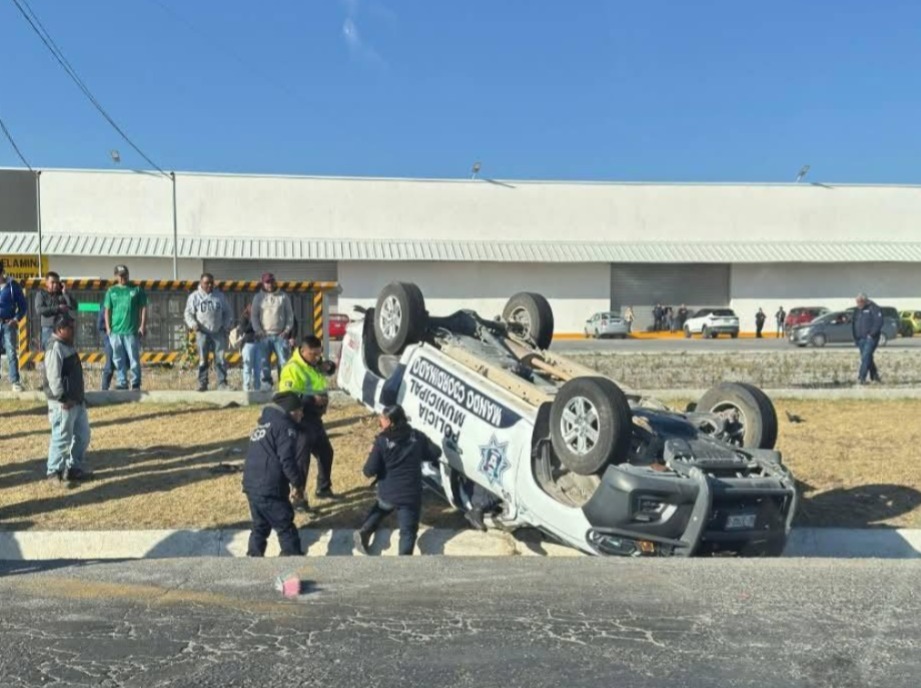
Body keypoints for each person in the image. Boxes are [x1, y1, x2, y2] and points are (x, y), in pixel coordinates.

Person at [353, 404, 441, 556]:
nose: (380, 420)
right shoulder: (416, 436)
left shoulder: (381, 441)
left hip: (388, 493)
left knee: (382, 506)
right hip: (410, 496)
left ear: (391, 422)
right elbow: (435, 452)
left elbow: (369, 471)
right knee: (408, 532)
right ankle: (404, 563)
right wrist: (418, 453)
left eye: (383, 418)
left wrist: (372, 452)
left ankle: (365, 532)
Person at [241, 392, 306, 557]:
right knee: (285, 526)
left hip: (251, 485)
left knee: (259, 526)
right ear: (291, 411)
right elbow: (287, 460)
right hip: (269, 486)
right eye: (299, 410)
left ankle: (251, 563)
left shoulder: (263, 425)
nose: (302, 414)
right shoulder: (285, 427)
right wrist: (298, 483)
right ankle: (291, 564)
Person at [279, 334, 338, 508]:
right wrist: (312, 400)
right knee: (302, 461)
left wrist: (329, 366)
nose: (317, 358)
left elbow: (328, 370)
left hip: (315, 419)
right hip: (301, 420)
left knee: (326, 452)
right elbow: (287, 398)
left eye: (319, 354)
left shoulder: (314, 362)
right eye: (314, 354)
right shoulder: (292, 368)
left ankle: (323, 488)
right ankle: (298, 498)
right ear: (303, 351)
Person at [43, 313, 92, 486]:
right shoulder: (54, 348)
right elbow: (53, 378)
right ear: (59, 329)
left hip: (77, 402)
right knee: (61, 437)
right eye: (70, 328)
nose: (74, 331)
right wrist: (63, 398)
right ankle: (53, 472)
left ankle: (74, 469)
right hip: (63, 404)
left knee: (83, 436)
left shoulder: (67, 345)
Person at [184, 273, 233, 392]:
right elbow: (188, 313)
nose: (209, 285)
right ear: (201, 283)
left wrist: (226, 326)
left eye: (211, 282)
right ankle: (202, 383)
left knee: (220, 358)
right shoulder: (194, 297)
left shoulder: (219, 296)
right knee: (202, 359)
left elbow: (228, 312)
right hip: (202, 332)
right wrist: (193, 325)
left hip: (218, 331)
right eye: (206, 283)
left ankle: (222, 383)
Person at [103, 265, 147, 390]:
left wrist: (142, 325)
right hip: (115, 331)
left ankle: (136, 381)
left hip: (131, 331)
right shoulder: (111, 291)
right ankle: (122, 382)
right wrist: (108, 327)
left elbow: (143, 307)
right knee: (118, 358)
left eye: (125, 275)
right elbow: (107, 310)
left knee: (133, 357)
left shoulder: (136, 289)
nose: (123, 278)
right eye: (121, 275)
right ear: (116, 276)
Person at [252, 273, 294, 387]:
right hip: (264, 336)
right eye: (267, 282)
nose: (269, 284)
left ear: (275, 282)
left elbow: (290, 316)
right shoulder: (258, 298)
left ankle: (284, 383)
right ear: (263, 283)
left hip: (280, 336)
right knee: (264, 362)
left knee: (284, 362)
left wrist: (286, 330)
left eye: (271, 281)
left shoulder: (283, 297)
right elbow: (254, 316)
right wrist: (258, 331)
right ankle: (266, 384)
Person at [0, 260, 28, 392]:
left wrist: (16, 319)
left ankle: (15, 381)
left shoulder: (12, 286)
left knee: (11, 352)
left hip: (8, 323)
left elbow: (23, 306)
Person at [34, 272, 78, 351]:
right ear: (46, 283)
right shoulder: (41, 294)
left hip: (63, 329)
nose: (55, 285)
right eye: (52, 282)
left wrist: (65, 293)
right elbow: (39, 310)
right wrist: (58, 308)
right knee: (50, 352)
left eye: (57, 283)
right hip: (48, 328)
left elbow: (74, 306)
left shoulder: (62, 294)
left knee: (65, 352)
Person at [853, 292, 883, 385]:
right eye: (857, 302)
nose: (858, 304)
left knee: (865, 357)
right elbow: (854, 323)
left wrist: (871, 334)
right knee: (867, 358)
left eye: (859, 302)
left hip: (871, 338)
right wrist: (855, 337)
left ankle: (861, 378)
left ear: (864, 301)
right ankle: (875, 376)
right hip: (860, 339)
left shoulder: (873, 308)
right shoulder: (858, 310)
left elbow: (879, 322)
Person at [235, 303, 263, 392]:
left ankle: (257, 386)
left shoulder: (259, 318)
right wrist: (252, 322)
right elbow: (244, 329)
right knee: (247, 366)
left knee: (257, 367)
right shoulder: (244, 318)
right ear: (248, 308)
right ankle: (246, 386)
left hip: (257, 343)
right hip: (248, 344)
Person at [96, 307, 115, 391]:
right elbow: (100, 326)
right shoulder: (107, 303)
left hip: (119, 332)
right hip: (107, 333)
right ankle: (104, 388)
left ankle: (123, 383)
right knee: (110, 361)